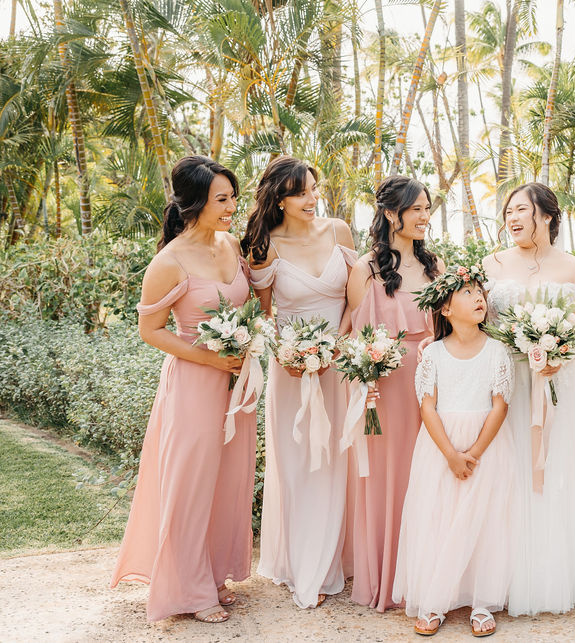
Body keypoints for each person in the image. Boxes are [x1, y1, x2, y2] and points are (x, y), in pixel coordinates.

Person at [110, 156, 255, 623]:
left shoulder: (232, 244)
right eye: (222, 199)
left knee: (227, 480)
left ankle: (211, 573)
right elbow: (150, 330)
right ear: (193, 203)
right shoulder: (168, 261)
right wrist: (211, 357)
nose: (233, 206)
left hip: (236, 387)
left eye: (233, 196)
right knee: (192, 484)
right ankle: (189, 590)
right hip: (195, 384)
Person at [481, 182, 575, 616]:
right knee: (507, 473)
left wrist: (561, 354)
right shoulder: (491, 264)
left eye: (521, 210)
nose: (512, 219)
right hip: (506, 382)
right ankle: (500, 576)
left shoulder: (574, 268)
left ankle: (552, 575)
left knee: (559, 472)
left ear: (548, 216)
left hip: (558, 384)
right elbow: (478, 322)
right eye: (507, 212)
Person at [241, 156, 357, 609]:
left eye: (314, 189)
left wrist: (335, 348)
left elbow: (354, 299)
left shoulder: (339, 232)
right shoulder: (266, 244)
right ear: (279, 198)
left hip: (339, 365)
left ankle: (331, 562)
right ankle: (301, 564)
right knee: (297, 464)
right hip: (291, 371)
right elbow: (265, 314)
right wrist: (289, 356)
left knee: (335, 461)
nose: (312, 199)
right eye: (300, 192)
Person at [393, 265, 515, 637]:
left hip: (487, 446)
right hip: (440, 447)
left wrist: (474, 452)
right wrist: (450, 454)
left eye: (480, 291)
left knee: (485, 520)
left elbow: (501, 404)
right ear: (444, 308)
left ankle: (483, 601)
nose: (478, 297)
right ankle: (436, 600)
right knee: (440, 517)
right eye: (466, 292)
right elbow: (427, 406)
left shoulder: (497, 350)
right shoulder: (433, 355)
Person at [345, 175, 442, 611]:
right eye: (417, 209)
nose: (425, 217)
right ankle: (387, 578)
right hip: (386, 384)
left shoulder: (434, 265)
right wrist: (370, 367)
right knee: (390, 477)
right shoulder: (365, 268)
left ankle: (429, 574)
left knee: (430, 473)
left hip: (435, 382)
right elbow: (351, 333)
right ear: (390, 214)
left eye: (427, 209)